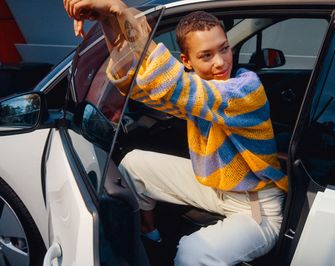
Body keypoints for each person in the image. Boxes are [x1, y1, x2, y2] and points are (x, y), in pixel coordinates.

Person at [64, 0, 288, 265]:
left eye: (224, 49)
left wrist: (121, 11)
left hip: (258, 209)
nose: (220, 62)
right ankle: (151, 237)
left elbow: (173, 84)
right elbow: (139, 87)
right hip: (218, 187)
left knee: (193, 253)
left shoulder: (244, 90)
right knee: (134, 166)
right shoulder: (200, 91)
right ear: (187, 61)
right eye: (206, 55)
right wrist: (107, 23)